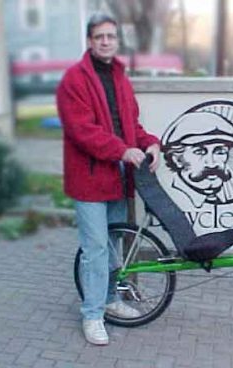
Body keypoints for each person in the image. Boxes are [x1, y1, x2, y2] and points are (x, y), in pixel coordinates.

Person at [56, 13, 160, 346]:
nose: (105, 41)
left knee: (113, 244)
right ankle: (92, 315)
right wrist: (123, 150)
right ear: (89, 41)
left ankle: (112, 299)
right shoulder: (74, 79)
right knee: (96, 249)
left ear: (117, 41)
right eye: (99, 36)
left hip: (118, 175)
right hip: (89, 177)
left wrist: (149, 143)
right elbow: (83, 131)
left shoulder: (120, 78)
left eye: (110, 37)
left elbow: (131, 125)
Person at [162, 111, 233, 208]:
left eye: (220, 152)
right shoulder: (167, 199)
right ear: (177, 159)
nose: (211, 163)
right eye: (199, 152)